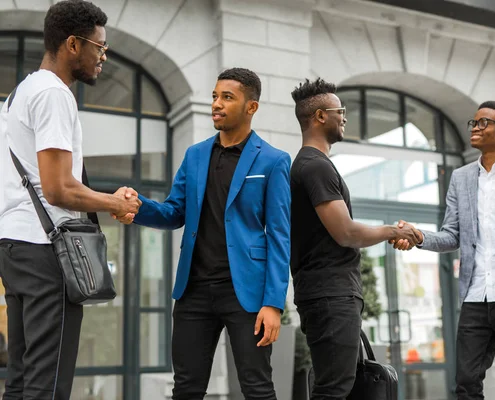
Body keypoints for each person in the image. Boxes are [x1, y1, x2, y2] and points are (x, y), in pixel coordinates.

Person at [115, 68, 291, 400]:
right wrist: (138, 206)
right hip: (193, 290)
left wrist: (273, 303)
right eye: (214, 96)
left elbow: (280, 236)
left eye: (227, 97)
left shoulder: (273, 161)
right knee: (186, 388)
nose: (217, 104)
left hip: (247, 293)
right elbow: (174, 212)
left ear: (251, 107)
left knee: (257, 386)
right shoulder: (195, 155)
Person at [0, 1, 141, 399]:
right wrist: (115, 203)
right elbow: (59, 188)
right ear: (74, 44)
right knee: (49, 382)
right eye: (100, 47)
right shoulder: (53, 95)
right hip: (47, 252)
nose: (103, 57)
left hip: (15, 246)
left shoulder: (19, 94)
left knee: (22, 380)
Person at [395, 101, 495, 399]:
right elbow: (451, 235)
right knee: (466, 383)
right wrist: (418, 236)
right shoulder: (461, 177)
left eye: (484, 123)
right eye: (474, 122)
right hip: (475, 298)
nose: (475, 128)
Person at [289, 78, 420, 399]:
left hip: (327, 294)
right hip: (331, 295)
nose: (344, 117)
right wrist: (394, 230)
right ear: (320, 116)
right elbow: (345, 232)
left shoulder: (310, 165)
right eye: (340, 111)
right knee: (334, 389)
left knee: (336, 386)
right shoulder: (315, 167)